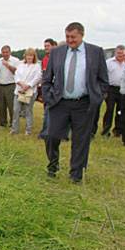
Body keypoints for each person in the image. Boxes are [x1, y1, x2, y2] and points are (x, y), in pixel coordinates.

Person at [41, 22, 109, 183]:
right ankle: (53, 164)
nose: (70, 40)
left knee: (81, 140)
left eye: (73, 37)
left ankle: (76, 174)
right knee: (51, 135)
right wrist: (48, 96)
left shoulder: (95, 52)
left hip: (83, 104)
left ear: (82, 35)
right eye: (67, 37)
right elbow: (47, 79)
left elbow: (103, 80)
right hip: (59, 102)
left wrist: (97, 98)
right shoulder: (57, 52)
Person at [11, 48, 41, 135]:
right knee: (16, 110)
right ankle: (14, 129)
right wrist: (21, 83)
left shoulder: (36, 66)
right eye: (28, 55)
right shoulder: (20, 65)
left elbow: (38, 77)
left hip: (30, 91)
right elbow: (16, 76)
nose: (29, 57)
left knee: (28, 111)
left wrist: (28, 85)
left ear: (34, 56)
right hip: (19, 90)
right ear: (25, 56)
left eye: (31, 55)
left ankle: (28, 130)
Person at [101, 45, 125, 137]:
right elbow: (103, 76)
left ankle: (118, 130)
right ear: (115, 53)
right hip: (111, 89)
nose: (120, 55)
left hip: (122, 89)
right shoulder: (108, 63)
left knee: (120, 111)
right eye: (118, 53)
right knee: (110, 109)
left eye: (122, 53)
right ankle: (106, 130)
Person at [0, 45, 19, 128]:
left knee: (12, 105)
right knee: (1, 106)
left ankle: (13, 123)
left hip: (11, 85)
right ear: (1, 53)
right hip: (0, 85)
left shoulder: (15, 60)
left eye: (7, 52)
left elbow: (17, 72)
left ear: (10, 52)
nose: (5, 54)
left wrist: (8, 65)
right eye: (3, 52)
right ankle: (3, 123)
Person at [38, 38, 57, 139]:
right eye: (45, 46)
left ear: (54, 46)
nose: (46, 48)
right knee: (47, 110)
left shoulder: (58, 57)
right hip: (47, 87)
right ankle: (46, 131)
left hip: (56, 87)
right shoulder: (45, 59)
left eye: (48, 46)